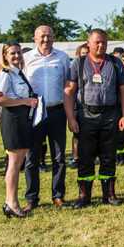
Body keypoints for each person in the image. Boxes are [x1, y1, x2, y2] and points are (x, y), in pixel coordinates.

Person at [64, 29, 124, 208]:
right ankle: (84, 196)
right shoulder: (78, 63)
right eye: (97, 42)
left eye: (104, 43)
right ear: (89, 43)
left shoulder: (115, 63)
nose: (101, 46)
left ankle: (109, 194)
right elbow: (69, 91)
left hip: (110, 115)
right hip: (86, 115)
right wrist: (71, 117)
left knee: (108, 156)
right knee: (85, 157)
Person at [23, 25, 71, 210]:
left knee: (59, 157)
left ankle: (58, 195)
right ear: (35, 38)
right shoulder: (26, 58)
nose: (46, 39)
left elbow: (69, 85)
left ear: (54, 38)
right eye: (42, 36)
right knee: (32, 157)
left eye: (49, 36)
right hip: (34, 113)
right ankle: (32, 198)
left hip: (57, 111)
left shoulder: (62, 57)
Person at [0, 42, 38, 218]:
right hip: (12, 120)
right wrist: (24, 102)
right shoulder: (5, 74)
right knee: (14, 163)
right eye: (12, 53)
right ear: (5, 56)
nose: (17, 56)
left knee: (17, 163)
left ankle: (12, 202)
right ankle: (11, 203)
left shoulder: (17, 73)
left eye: (19, 52)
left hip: (21, 120)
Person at [68, 43, 89, 169]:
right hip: (78, 105)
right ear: (78, 55)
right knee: (77, 134)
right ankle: (76, 157)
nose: (85, 56)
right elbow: (70, 90)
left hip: (91, 107)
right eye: (83, 54)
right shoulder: (75, 67)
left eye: (87, 53)